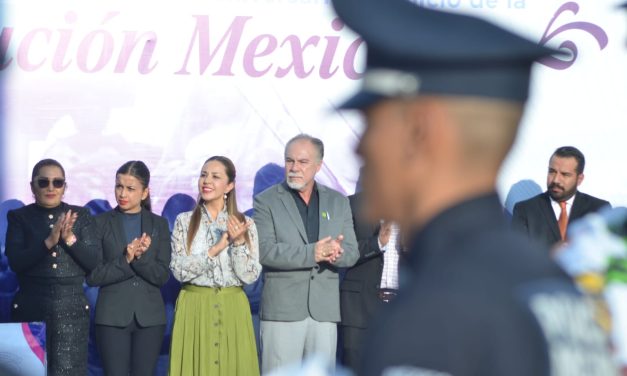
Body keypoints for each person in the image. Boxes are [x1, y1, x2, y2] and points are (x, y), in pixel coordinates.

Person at [331, 0, 616, 375]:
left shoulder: (433, 312)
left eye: (371, 123)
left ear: (421, 130)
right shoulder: (554, 287)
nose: (359, 146)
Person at [253, 134, 359, 373]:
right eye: (289, 161)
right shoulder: (266, 201)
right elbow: (265, 251)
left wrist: (335, 253)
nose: (294, 168)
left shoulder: (338, 202)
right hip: (282, 311)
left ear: (318, 166)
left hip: (324, 312)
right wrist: (314, 252)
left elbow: (352, 252)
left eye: (302, 162)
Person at [169, 156, 261, 376]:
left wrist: (238, 243)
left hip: (232, 307)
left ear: (229, 186)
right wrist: (214, 250)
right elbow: (179, 270)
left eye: (215, 176)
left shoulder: (245, 224)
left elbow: (250, 275)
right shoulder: (184, 221)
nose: (206, 181)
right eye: (203, 175)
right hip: (194, 307)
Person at [5, 158, 98, 375]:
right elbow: (17, 262)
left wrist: (68, 238)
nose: (50, 188)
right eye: (43, 182)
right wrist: (49, 241)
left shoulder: (80, 216)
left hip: (72, 311)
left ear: (65, 187)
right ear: (32, 186)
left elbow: (92, 262)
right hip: (31, 307)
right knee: (31, 370)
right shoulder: (19, 217)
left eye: (57, 183)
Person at [87, 161, 172, 376]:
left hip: (150, 319)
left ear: (145, 193)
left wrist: (139, 258)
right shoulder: (100, 223)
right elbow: (94, 275)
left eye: (130, 188)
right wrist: (126, 258)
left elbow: (161, 276)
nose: (122, 193)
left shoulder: (159, 224)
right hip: (111, 318)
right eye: (119, 186)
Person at [339, 191, 402, 370]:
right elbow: (341, 251)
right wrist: (377, 242)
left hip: (402, 305)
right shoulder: (352, 204)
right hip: (359, 308)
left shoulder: (416, 203)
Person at [512, 146, 611, 250]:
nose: (556, 180)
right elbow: (518, 255)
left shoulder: (600, 210)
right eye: (552, 171)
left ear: (579, 179)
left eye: (565, 174)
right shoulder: (525, 210)